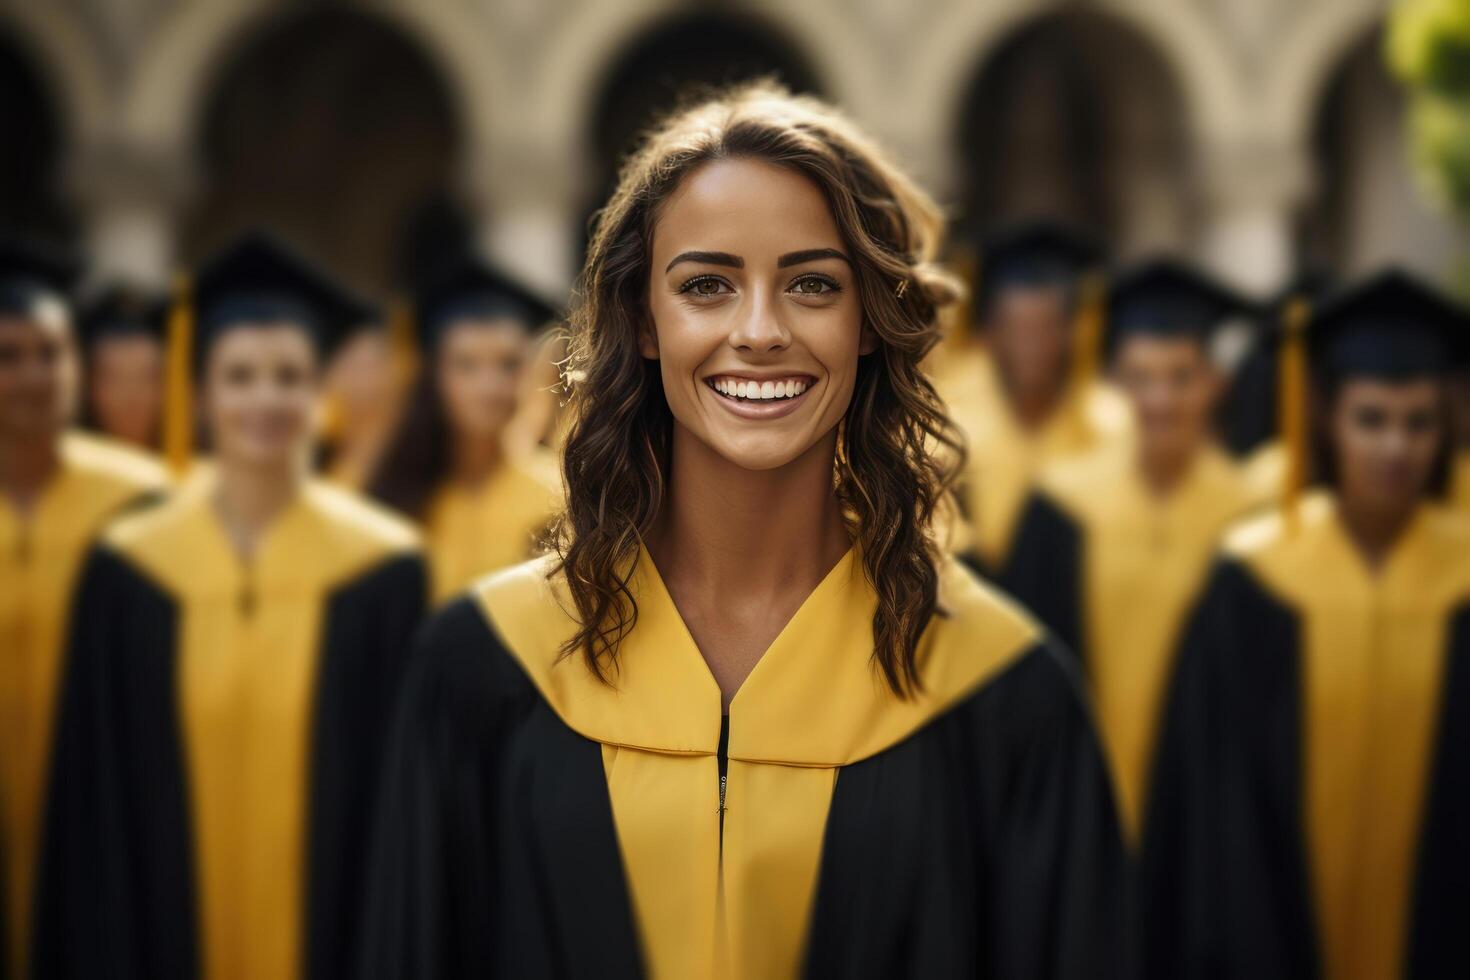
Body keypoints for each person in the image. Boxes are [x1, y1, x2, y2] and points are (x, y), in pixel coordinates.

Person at [362, 83, 1125, 980]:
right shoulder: (485, 671)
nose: (759, 332)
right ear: (644, 321)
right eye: (707, 286)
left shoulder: (1002, 693)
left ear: (867, 324)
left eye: (811, 284)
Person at [33, 230, 429, 980]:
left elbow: (400, 823)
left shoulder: (383, 571)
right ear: (201, 396)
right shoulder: (130, 570)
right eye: (240, 376)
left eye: (289, 376)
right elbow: (91, 819)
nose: (266, 398)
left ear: (321, 396)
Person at [1142, 269, 1470, 979]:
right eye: (1372, 419)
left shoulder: (1463, 581)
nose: (1395, 448)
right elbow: (1207, 811)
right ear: (1328, 421)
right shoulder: (1254, 583)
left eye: (1418, 422)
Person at [1002, 259, 1262, 844]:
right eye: (1141, 378)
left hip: (1210, 832)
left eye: (1181, 377)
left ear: (1215, 384)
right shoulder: (1059, 507)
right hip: (1080, 814)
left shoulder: (1254, 522)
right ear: (1114, 381)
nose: (1161, 401)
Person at [0, 236, 167, 977]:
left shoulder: (141, 498)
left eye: (53, 352)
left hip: (100, 831)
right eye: (11, 355)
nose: (35, 375)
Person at [369, 255, 562, 604]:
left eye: (508, 364)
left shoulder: (557, 497)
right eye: (466, 365)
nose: (489, 386)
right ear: (435, 377)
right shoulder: (392, 497)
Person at [945, 221, 1132, 574]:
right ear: (990, 333)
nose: (1032, 346)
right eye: (1017, 328)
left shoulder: (1112, 423)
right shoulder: (946, 426)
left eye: (1046, 328)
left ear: (1071, 333)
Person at [77, 285, 168, 450]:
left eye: (146, 378)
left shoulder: (198, 472)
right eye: (114, 379)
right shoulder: (63, 469)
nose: (131, 396)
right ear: (88, 385)